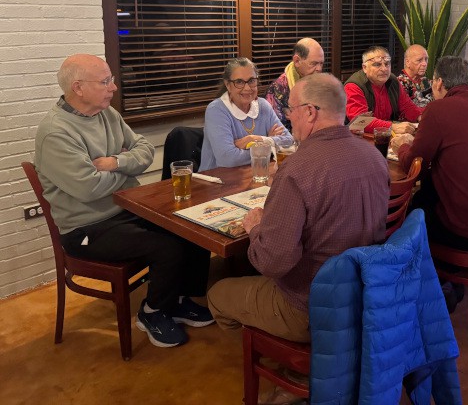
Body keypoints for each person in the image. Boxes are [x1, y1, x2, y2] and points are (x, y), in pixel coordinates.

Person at [35, 54, 214, 348]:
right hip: (87, 228)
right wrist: (126, 172)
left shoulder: (107, 114)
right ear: (78, 88)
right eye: (105, 81)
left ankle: (176, 300)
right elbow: (89, 188)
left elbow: (144, 151)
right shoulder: (56, 133)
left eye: (112, 79)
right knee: (166, 247)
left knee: (190, 226)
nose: (114, 87)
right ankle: (152, 312)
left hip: (126, 209)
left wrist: (115, 162)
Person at [208, 72, 389, 343]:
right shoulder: (374, 156)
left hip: (310, 306)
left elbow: (273, 262)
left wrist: (255, 226)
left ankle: (283, 356)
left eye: (291, 110)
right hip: (365, 292)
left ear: (310, 112)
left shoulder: (297, 169)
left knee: (216, 294)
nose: (288, 117)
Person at [390, 56, 468, 248]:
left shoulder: (437, 109)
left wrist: (402, 146)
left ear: (439, 82)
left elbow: (413, 167)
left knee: (410, 207)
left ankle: (413, 263)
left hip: (464, 228)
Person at [199, 57, 293, 171]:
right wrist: (270, 144)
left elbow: (289, 142)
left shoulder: (263, 106)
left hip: (255, 173)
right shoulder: (216, 110)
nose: (247, 88)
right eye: (239, 82)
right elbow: (228, 159)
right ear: (228, 85)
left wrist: (255, 139)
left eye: (251, 81)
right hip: (217, 177)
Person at [344, 46, 423, 134]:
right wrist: (392, 127)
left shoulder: (393, 80)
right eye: (377, 64)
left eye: (387, 64)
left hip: (386, 135)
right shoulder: (354, 86)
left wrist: (420, 118)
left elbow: (407, 106)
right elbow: (360, 123)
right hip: (358, 138)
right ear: (365, 67)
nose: (384, 69)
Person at [265, 37, 325, 130]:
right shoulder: (279, 88)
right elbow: (278, 130)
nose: (319, 69)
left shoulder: (322, 83)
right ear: (297, 61)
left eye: (321, 64)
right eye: (314, 63)